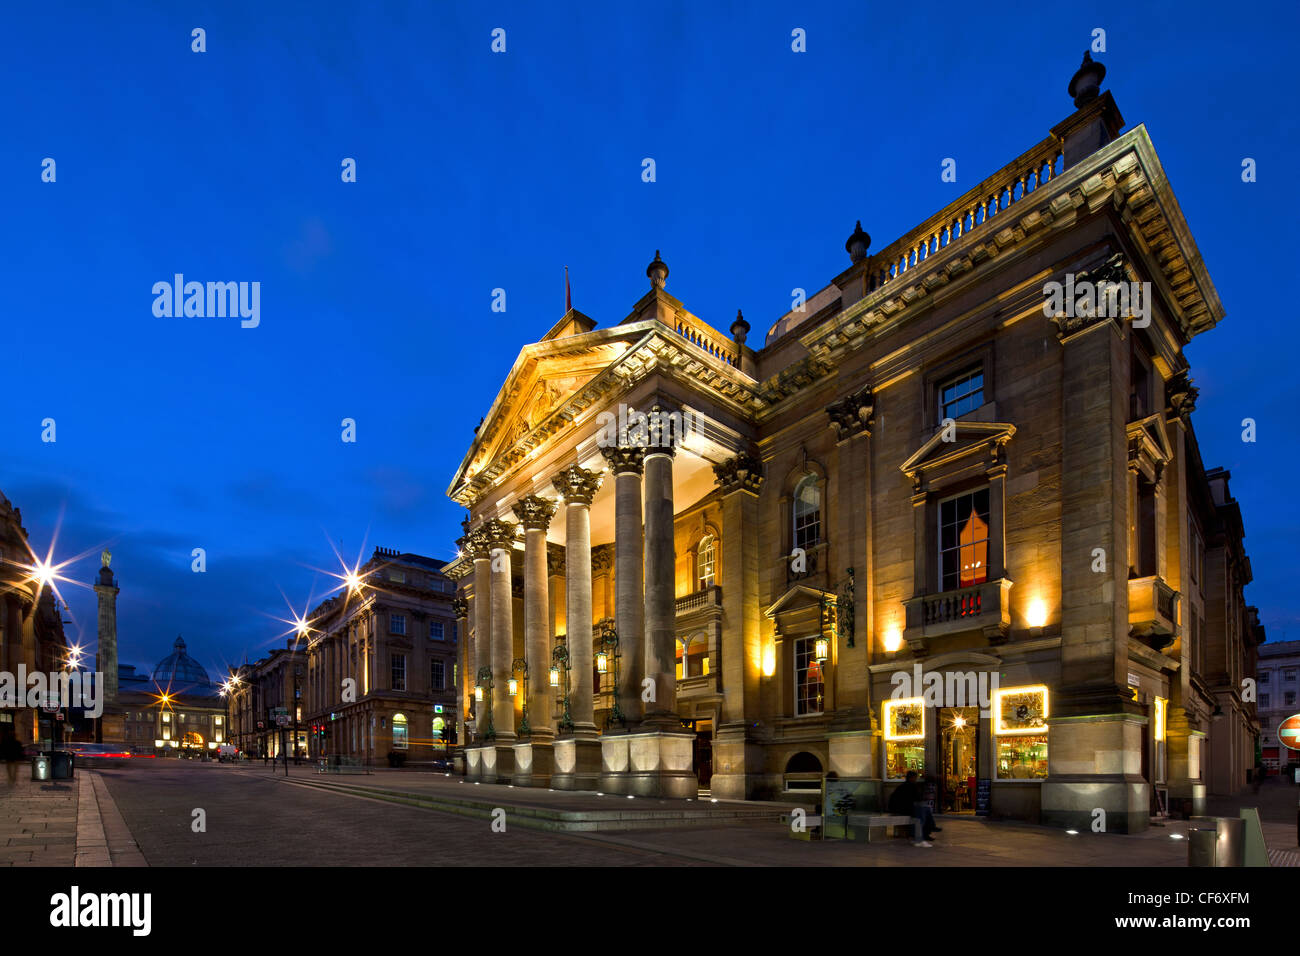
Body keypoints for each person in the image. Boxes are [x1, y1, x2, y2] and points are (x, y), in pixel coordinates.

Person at [888, 770, 941, 846]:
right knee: (921, 812)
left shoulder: (906, 785)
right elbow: (916, 799)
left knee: (924, 809)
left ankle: (928, 830)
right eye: (915, 777)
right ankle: (923, 833)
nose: (916, 779)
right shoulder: (910, 786)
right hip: (901, 809)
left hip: (902, 807)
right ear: (912, 778)